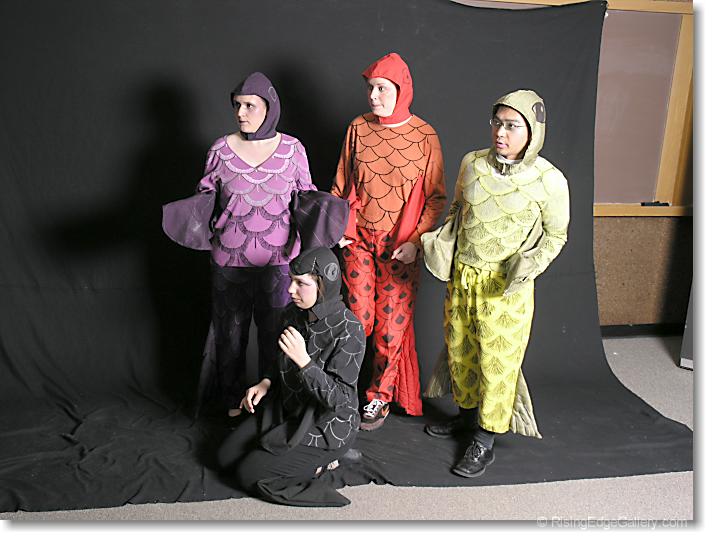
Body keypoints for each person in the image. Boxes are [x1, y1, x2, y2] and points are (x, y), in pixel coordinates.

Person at [422, 89, 570, 477]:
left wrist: (529, 266)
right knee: (460, 351)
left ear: (533, 131)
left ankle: (484, 440)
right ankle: (466, 417)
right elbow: (458, 210)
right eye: (497, 123)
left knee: (497, 361)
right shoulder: (472, 164)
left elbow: (556, 235)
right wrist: (442, 246)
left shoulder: (550, 180)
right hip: (463, 277)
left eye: (512, 126)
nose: (501, 133)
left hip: (504, 288)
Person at [168, 72, 317, 416]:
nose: (240, 113)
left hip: (279, 262)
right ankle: (231, 403)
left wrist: (334, 227)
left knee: (277, 334)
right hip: (229, 260)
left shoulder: (293, 149)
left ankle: (272, 403)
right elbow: (205, 198)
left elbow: (307, 199)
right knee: (229, 337)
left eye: (250, 105)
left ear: (270, 107)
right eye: (237, 105)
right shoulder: (220, 149)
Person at [330, 52, 446, 430]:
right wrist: (342, 230)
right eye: (370, 88)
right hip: (360, 241)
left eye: (382, 88)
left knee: (389, 329)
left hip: (401, 248)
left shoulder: (425, 135)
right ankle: (339, 389)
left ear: (401, 90)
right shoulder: (357, 128)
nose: (373, 96)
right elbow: (340, 185)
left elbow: (435, 198)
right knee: (357, 318)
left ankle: (379, 396)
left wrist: (416, 241)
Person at [216, 247, 366, 507]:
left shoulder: (349, 329)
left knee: (248, 474)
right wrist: (266, 382)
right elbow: (280, 359)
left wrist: (305, 363)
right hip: (288, 410)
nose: (290, 290)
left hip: (326, 423)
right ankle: (301, 457)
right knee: (224, 458)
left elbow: (341, 400)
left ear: (323, 285)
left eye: (301, 284)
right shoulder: (293, 313)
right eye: (291, 281)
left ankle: (324, 462)